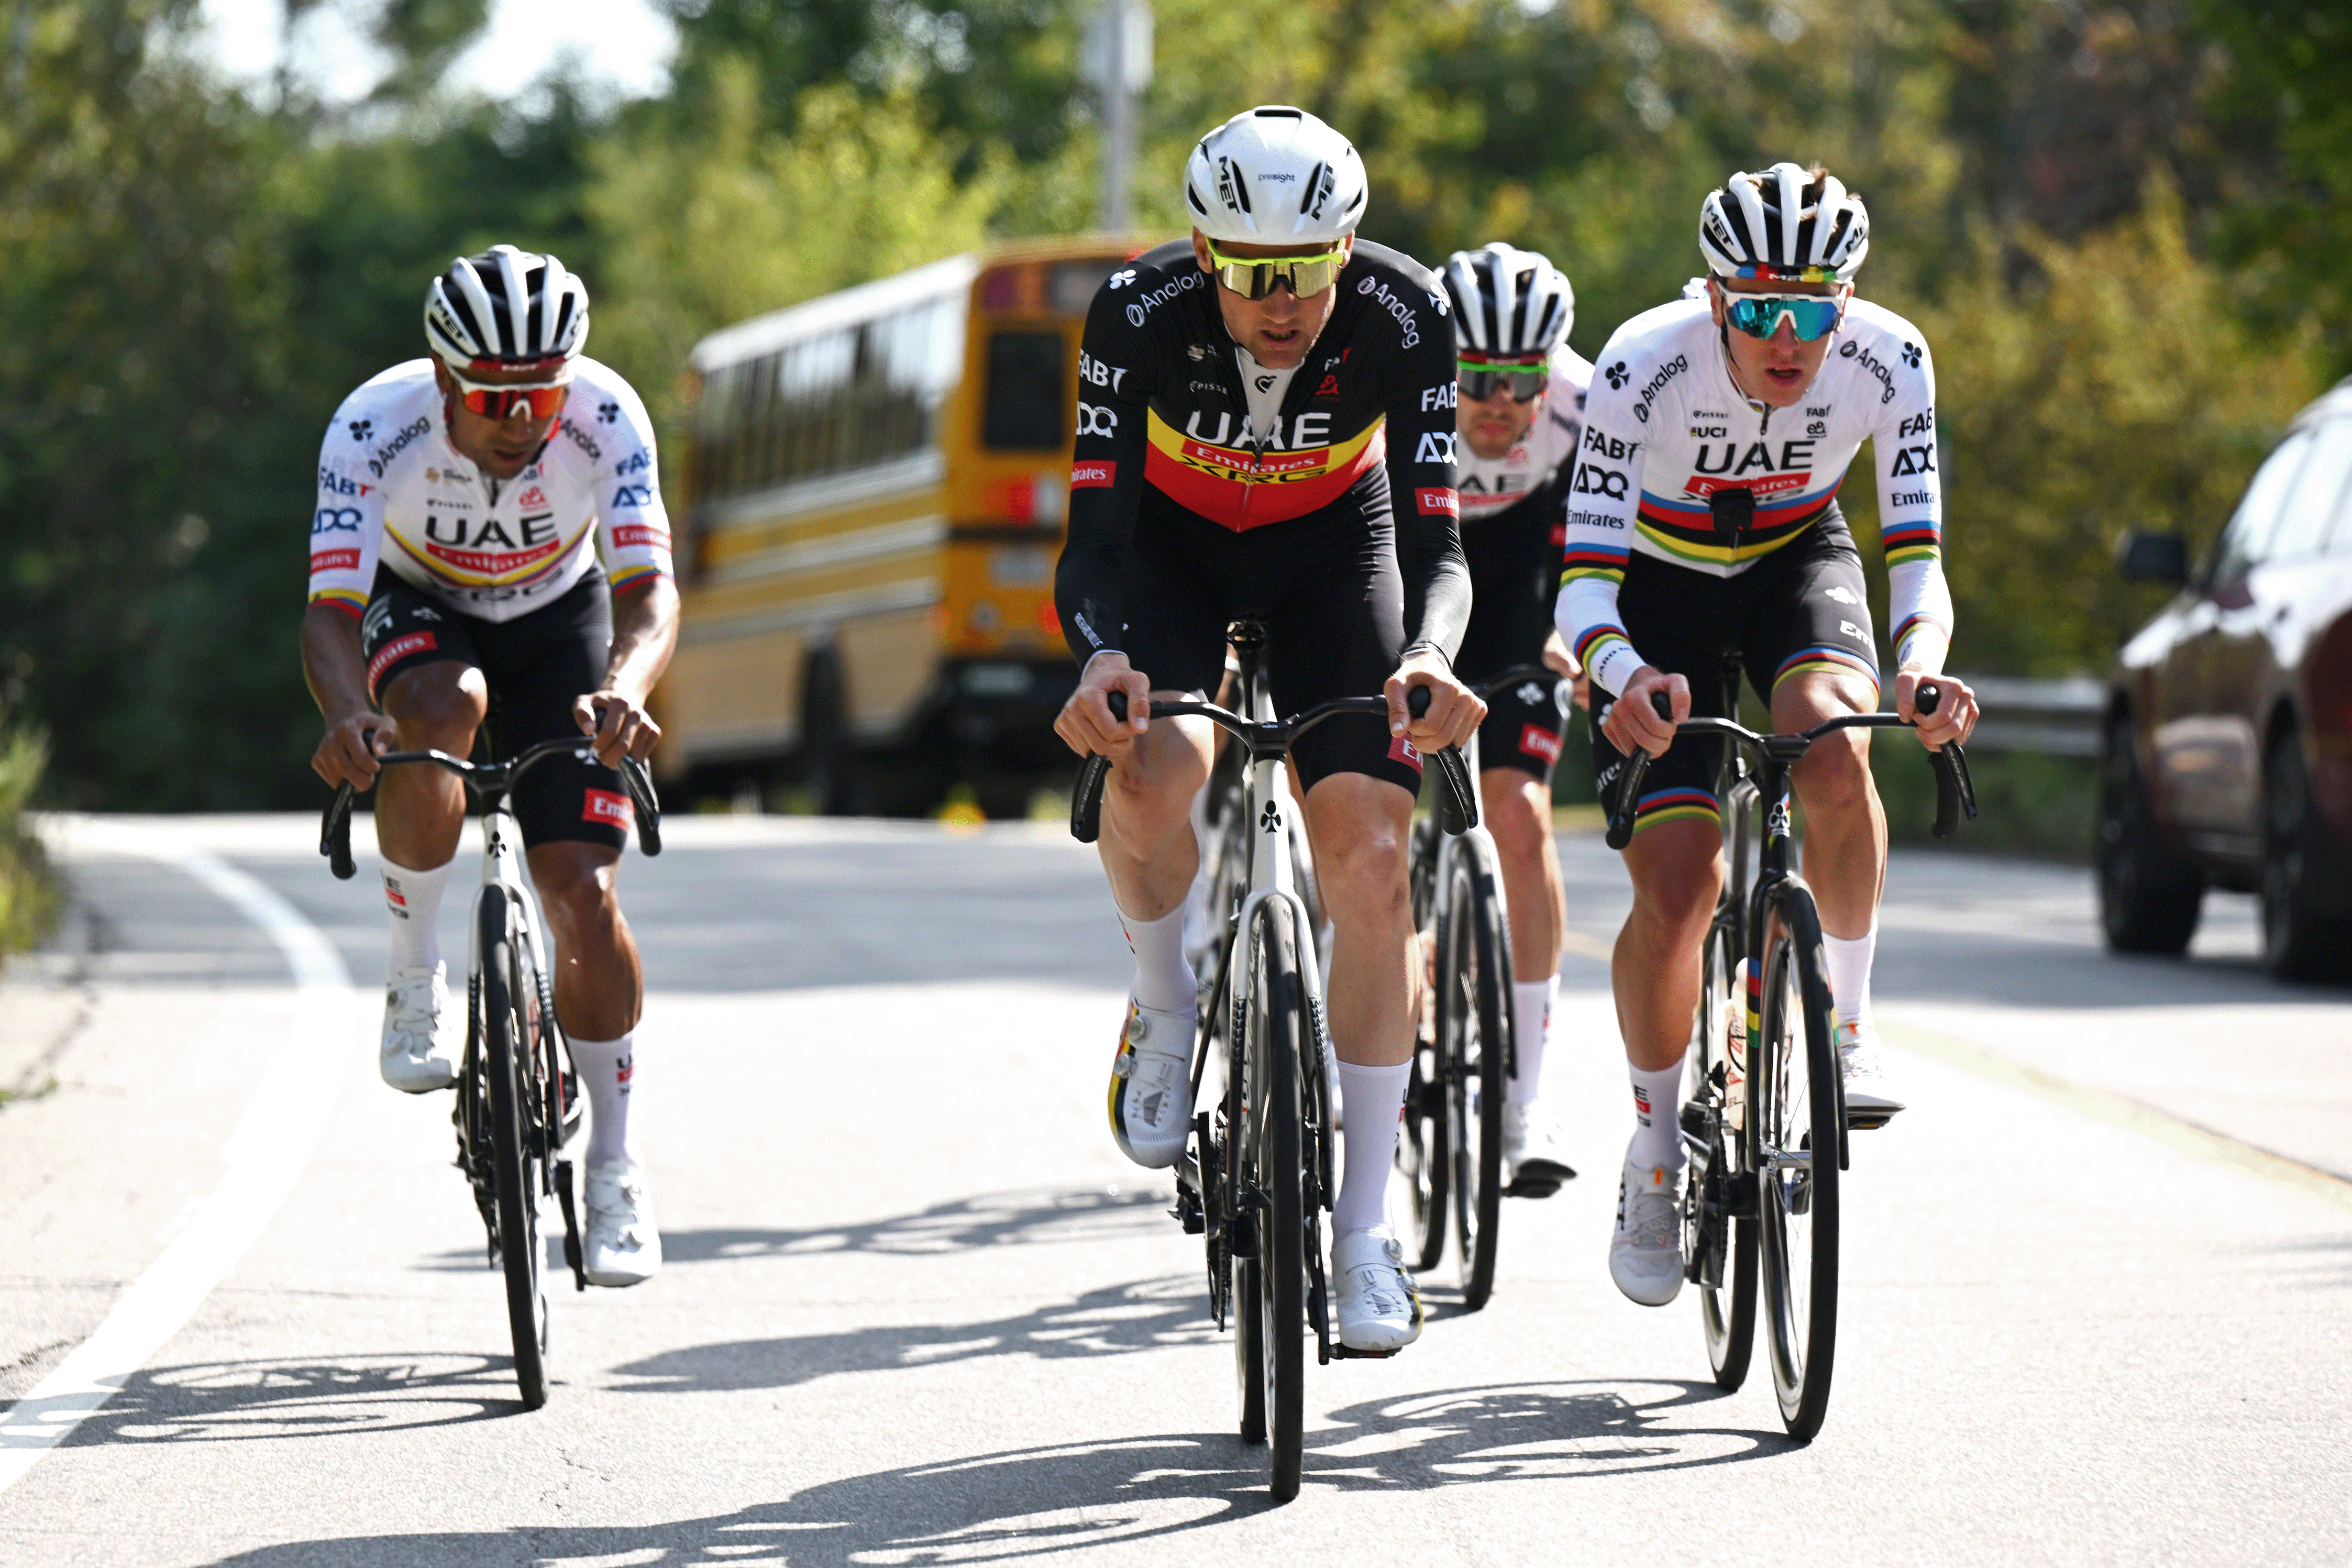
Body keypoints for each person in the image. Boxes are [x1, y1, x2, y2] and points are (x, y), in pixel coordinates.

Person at [1052, 106, 1484, 1353]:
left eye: (1304, 270)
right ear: (1204, 253)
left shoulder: (1406, 315)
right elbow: (1092, 543)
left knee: (1370, 857)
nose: (1280, 302)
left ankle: (1363, 1233)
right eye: (1249, 275)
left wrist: (1429, 656)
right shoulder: (1135, 313)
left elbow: (1438, 542)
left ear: (1346, 248)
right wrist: (1101, 657)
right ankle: (1164, 1000)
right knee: (1150, 772)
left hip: (1335, 557)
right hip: (1173, 558)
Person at [1553, 164, 1980, 1306]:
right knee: (1679, 886)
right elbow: (1582, 583)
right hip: (1656, 591)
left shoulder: (1891, 358)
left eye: (1810, 310)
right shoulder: (1642, 364)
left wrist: (1920, 665)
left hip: (1796, 559)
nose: (1784, 339)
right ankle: (1653, 1153)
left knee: (1833, 745)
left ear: (1847, 302)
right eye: (1754, 308)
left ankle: (1848, 1024)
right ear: (1713, 297)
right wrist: (1621, 673)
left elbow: (1917, 557)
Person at [301, 245, 678, 1288]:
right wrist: (347, 713)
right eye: (494, 399)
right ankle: (414, 975)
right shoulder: (373, 427)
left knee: (583, 893)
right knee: (440, 709)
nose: (521, 421)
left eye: (541, 396)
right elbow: (329, 610)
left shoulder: (607, 416)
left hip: (562, 615)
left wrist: (625, 688)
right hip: (422, 607)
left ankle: (615, 1165)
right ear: (441, 379)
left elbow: (649, 590)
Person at [1436, 241, 1593, 1199]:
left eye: (1521, 380)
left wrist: (1580, 634)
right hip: (1408, 566)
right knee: (1360, 811)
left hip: (1514, 591)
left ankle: (1528, 1094)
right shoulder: (1397, 387)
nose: (1499, 402)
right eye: (1477, 378)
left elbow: (1596, 542)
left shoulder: (1584, 402)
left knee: (1520, 815)